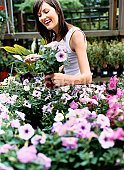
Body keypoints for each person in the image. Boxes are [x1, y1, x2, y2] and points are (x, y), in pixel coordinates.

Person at [24, 0, 92, 87]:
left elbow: (88, 77)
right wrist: (39, 58)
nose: (43, 17)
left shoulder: (75, 35)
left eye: (46, 12)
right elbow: (62, 63)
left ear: (57, 10)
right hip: (62, 92)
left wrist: (66, 80)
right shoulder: (54, 38)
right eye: (39, 15)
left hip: (78, 93)